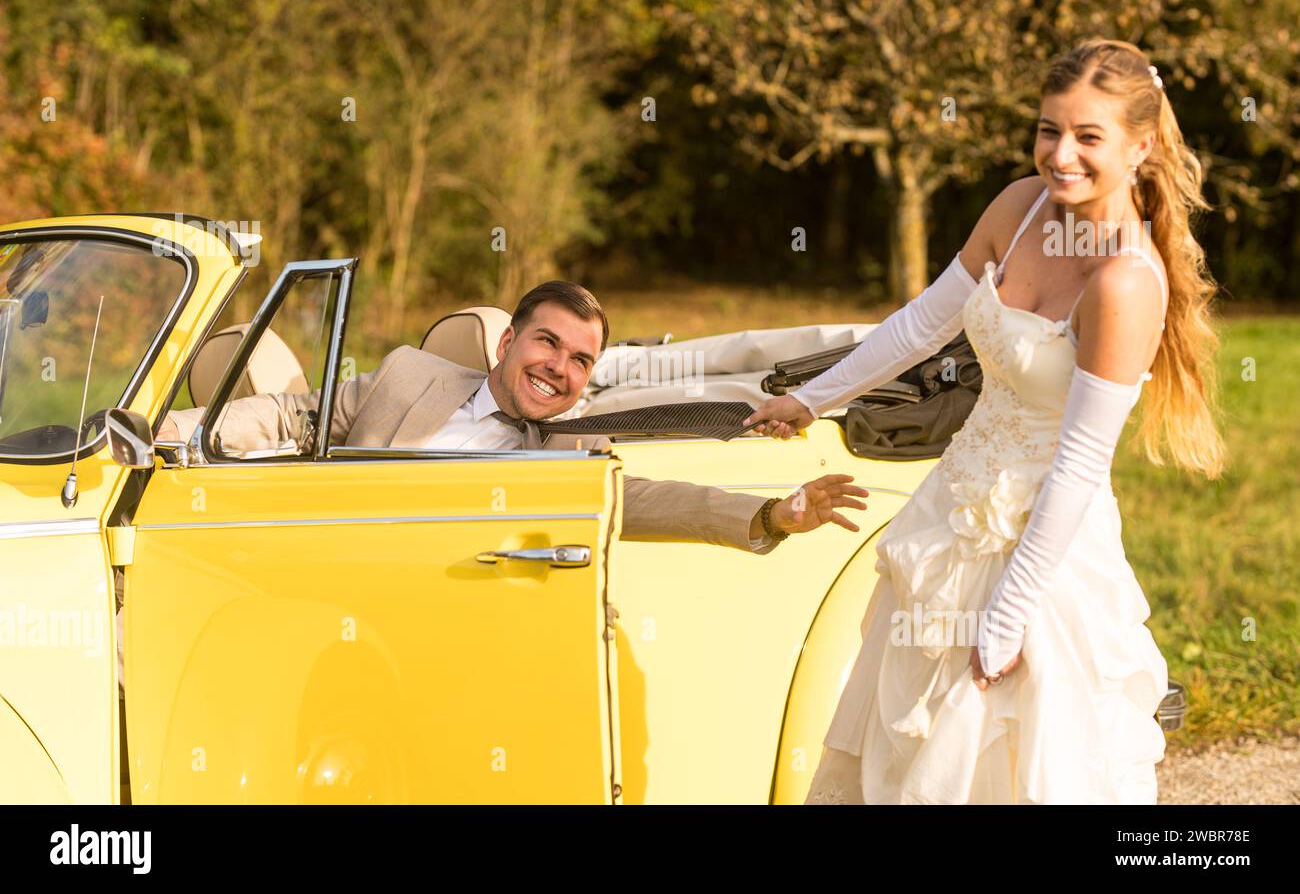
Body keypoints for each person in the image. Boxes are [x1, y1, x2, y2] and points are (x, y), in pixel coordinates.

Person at [745, 39, 1225, 804]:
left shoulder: (1127, 281)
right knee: (900, 741)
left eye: (1087, 137)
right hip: (950, 513)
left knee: (1003, 755)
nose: (1060, 155)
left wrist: (1008, 616)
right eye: (1047, 129)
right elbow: (922, 325)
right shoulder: (1017, 205)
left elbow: (1078, 465)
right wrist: (812, 398)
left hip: (1042, 550)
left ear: (1140, 147)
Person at [122, 280, 869, 687]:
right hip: (332, 598)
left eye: (581, 360)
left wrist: (771, 514)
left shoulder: (580, 442)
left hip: (459, 631)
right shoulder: (410, 376)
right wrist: (174, 435)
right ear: (509, 342)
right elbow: (296, 416)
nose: (560, 368)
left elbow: (639, 502)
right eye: (548, 342)